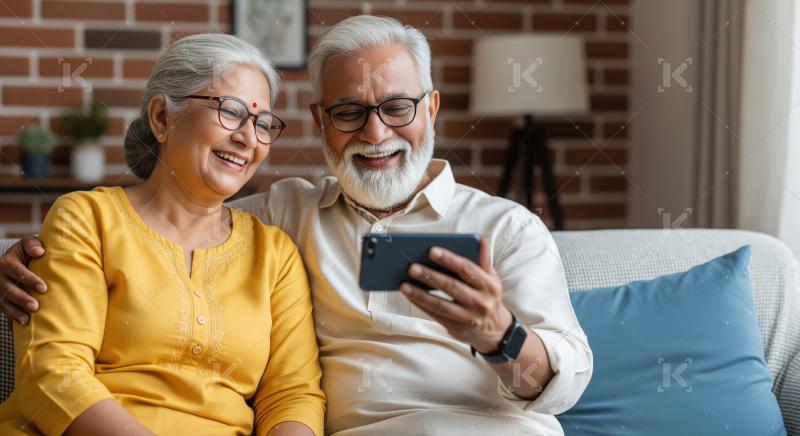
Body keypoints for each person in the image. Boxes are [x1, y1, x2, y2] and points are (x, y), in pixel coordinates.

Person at [1, 16, 591, 435]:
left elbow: (570, 379)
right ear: (321, 121)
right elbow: (172, 224)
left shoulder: (507, 228)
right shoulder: (286, 216)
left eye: (396, 107)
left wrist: (501, 334)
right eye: (349, 112)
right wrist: (17, 254)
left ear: (430, 108)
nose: (376, 133)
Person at [0, 33, 324, 435]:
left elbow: (293, 395)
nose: (247, 138)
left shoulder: (275, 255)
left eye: (262, 124)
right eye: (231, 112)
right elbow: (53, 375)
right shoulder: (87, 220)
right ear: (162, 117)